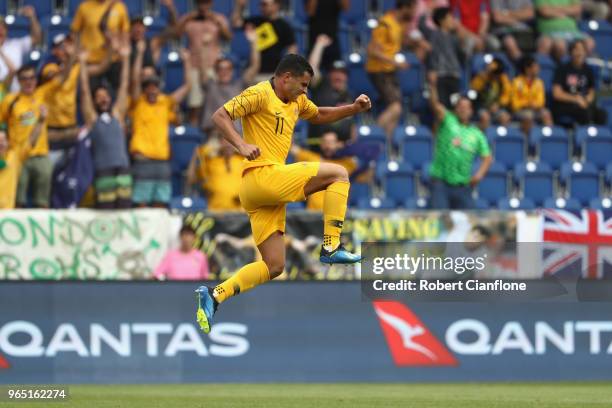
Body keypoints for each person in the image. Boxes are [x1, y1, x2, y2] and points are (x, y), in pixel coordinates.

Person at [194, 54, 372, 333]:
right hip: (262, 176)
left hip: (260, 193)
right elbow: (220, 116)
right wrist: (240, 145)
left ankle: (215, 295)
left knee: (274, 265)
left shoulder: (298, 101)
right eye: (303, 84)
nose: (305, 90)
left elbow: (320, 114)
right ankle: (331, 244)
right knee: (339, 174)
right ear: (286, 77)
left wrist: (352, 109)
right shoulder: (259, 93)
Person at [0, 63, 69, 208]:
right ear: (18, 81)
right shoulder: (10, 100)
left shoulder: (42, 93)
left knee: (43, 201)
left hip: (41, 154)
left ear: (36, 80)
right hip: (18, 156)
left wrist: (74, 51)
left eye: (32, 78)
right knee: (18, 201)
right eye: (24, 79)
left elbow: (63, 78)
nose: (29, 82)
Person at [130, 45, 191, 208]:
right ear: (144, 89)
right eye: (148, 86)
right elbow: (135, 80)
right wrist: (140, 53)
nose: (152, 89)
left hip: (162, 161)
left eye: (154, 86)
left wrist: (186, 62)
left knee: (161, 203)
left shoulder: (165, 103)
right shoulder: (137, 103)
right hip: (142, 159)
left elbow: (187, 87)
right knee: (140, 204)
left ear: (158, 88)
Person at [79, 40, 132, 209]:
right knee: (106, 210)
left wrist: (125, 59)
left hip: (123, 169)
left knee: (124, 209)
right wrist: (81, 63)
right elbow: (85, 91)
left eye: (105, 96)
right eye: (99, 97)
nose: (103, 99)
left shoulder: (118, 115)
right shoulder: (93, 119)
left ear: (110, 97)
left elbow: (124, 85)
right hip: (103, 170)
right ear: (95, 101)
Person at [428, 73, 492, 209]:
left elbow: (487, 158)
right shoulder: (448, 120)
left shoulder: (477, 134)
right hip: (441, 183)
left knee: (468, 222)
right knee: (441, 221)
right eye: (460, 106)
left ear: (471, 111)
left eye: (466, 107)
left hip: (463, 186)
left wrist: (478, 176)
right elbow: (435, 105)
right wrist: (432, 86)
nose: (463, 109)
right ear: (456, 108)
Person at [176, 0, 231, 125]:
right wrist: (186, 19)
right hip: (194, 66)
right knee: (195, 105)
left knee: (216, 105)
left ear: (210, 4)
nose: (203, 6)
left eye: (206, 3)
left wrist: (218, 23)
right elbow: (177, 34)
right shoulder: (189, 20)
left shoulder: (218, 19)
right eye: (200, 3)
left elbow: (228, 37)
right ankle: (194, 137)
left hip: (213, 67)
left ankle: (216, 135)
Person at [199, 24, 260, 134]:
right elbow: (203, 68)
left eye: (228, 69)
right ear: (216, 71)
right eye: (221, 69)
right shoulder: (210, 85)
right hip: (214, 136)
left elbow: (255, 66)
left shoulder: (240, 85)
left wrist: (253, 42)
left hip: (237, 137)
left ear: (232, 71)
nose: (224, 72)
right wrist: (204, 46)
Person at [366, 0, 413, 139]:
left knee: (397, 111)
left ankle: (386, 144)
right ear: (404, 7)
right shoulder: (385, 23)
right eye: (412, 9)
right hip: (379, 70)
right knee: (396, 107)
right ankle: (374, 136)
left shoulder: (397, 25)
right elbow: (372, 51)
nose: (413, 13)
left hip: (390, 70)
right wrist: (396, 62)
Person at [231, 0, 297, 82]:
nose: (262, 7)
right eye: (261, 4)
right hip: (254, 73)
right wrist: (239, 6)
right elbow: (236, 23)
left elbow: (292, 48)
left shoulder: (284, 26)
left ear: (276, 5)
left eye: (265, 4)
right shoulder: (256, 21)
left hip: (273, 74)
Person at [71, 0, 130, 91]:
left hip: (113, 59)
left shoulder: (118, 6)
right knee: (89, 93)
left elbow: (125, 32)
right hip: (91, 60)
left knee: (118, 92)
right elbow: (75, 32)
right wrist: (77, 51)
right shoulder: (84, 6)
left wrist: (122, 48)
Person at [308, 35, 354, 144]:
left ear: (346, 77)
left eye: (342, 73)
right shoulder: (321, 86)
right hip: (319, 144)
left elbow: (351, 124)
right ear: (329, 75)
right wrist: (319, 45)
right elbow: (311, 69)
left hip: (342, 148)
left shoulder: (348, 95)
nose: (338, 76)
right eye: (335, 73)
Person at [552, 40, 606, 125]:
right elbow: (557, 94)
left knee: (601, 114)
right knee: (584, 112)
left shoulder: (587, 70)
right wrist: (575, 99)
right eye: (576, 49)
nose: (579, 53)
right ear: (571, 52)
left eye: (582, 50)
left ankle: (598, 136)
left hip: (583, 103)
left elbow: (591, 90)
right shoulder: (562, 69)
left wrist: (588, 99)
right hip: (566, 105)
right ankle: (583, 136)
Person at [0, 108, 45, 209]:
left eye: (3, 140)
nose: (1, 143)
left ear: (8, 143)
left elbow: (31, 141)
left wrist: (40, 121)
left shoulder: (14, 156)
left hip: (7, 213)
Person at [423, 7, 465, 109]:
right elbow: (432, 54)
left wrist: (462, 41)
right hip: (441, 76)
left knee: (455, 104)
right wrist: (432, 69)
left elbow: (462, 56)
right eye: (449, 18)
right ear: (442, 20)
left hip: (454, 76)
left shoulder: (454, 38)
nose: (452, 20)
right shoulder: (435, 35)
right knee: (441, 105)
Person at [186, 135, 243, 211]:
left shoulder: (242, 160)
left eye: (231, 142)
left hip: (240, 212)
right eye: (225, 142)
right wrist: (195, 156)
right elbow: (191, 179)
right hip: (215, 210)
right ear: (219, 144)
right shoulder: (211, 162)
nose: (228, 144)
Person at [0, 6, 41, 92]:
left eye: (3, 27)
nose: (0, 30)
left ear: (7, 30)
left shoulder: (16, 44)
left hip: (15, 96)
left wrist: (32, 17)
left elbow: (37, 38)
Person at [510, 55, 553, 135]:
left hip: (535, 109)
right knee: (528, 116)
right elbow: (514, 104)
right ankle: (527, 142)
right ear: (527, 69)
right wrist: (527, 104)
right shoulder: (516, 82)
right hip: (521, 110)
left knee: (546, 114)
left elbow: (541, 101)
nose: (538, 69)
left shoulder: (539, 82)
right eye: (535, 66)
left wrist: (535, 105)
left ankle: (548, 139)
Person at [305, 0, 350, 70]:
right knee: (312, 71)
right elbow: (310, 12)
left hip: (332, 40)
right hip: (314, 40)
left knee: (336, 71)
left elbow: (346, 8)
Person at [470, 57, 512, 129]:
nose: (495, 76)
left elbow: (507, 95)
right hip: (482, 106)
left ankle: (500, 139)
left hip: (497, 107)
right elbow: (474, 88)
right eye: (494, 72)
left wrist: (498, 104)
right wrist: (485, 76)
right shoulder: (482, 77)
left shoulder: (503, 79)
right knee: (485, 118)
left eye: (497, 73)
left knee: (505, 118)